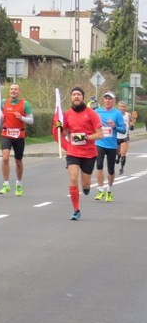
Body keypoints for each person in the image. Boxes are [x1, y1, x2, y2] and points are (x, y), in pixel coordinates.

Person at [58, 86, 104, 221]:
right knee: (73, 178)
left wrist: (86, 137)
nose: (76, 96)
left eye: (79, 94)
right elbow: (65, 132)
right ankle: (76, 210)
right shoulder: (67, 114)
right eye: (74, 94)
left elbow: (100, 134)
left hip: (89, 153)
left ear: (83, 97)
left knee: (85, 183)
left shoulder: (91, 114)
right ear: (71, 98)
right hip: (73, 152)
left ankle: (86, 187)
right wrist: (60, 127)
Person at [0, 83, 33, 196]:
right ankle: (6, 184)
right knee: (5, 157)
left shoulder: (25, 104)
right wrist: (0, 116)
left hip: (19, 135)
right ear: (9, 91)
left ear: (19, 92)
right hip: (6, 133)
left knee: (18, 161)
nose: (13, 91)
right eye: (12, 89)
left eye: (15, 89)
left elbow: (31, 120)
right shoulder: (3, 102)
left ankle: (18, 184)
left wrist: (21, 117)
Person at [93, 91, 126, 202]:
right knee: (99, 165)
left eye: (110, 99)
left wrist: (114, 126)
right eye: (106, 98)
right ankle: (100, 190)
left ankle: (109, 190)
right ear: (103, 100)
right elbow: (90, 123)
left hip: (112, 145)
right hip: (99, 143)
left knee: (111, 169)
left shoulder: (117, 114)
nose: (108, 101)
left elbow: (123, 129)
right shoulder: (97, 111)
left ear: (113, 101)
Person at [117, 100, 133, 174]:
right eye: (121, 106)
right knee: (117, 153)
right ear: (118, 107)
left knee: (123, 152)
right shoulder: (115, 114)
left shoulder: (128, 114)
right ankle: (118, 157)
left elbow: (131, 121)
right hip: (116, 136)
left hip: (125, 136)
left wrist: (132, 125)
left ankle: (121, 168)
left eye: (124, 107)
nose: (123, 108)